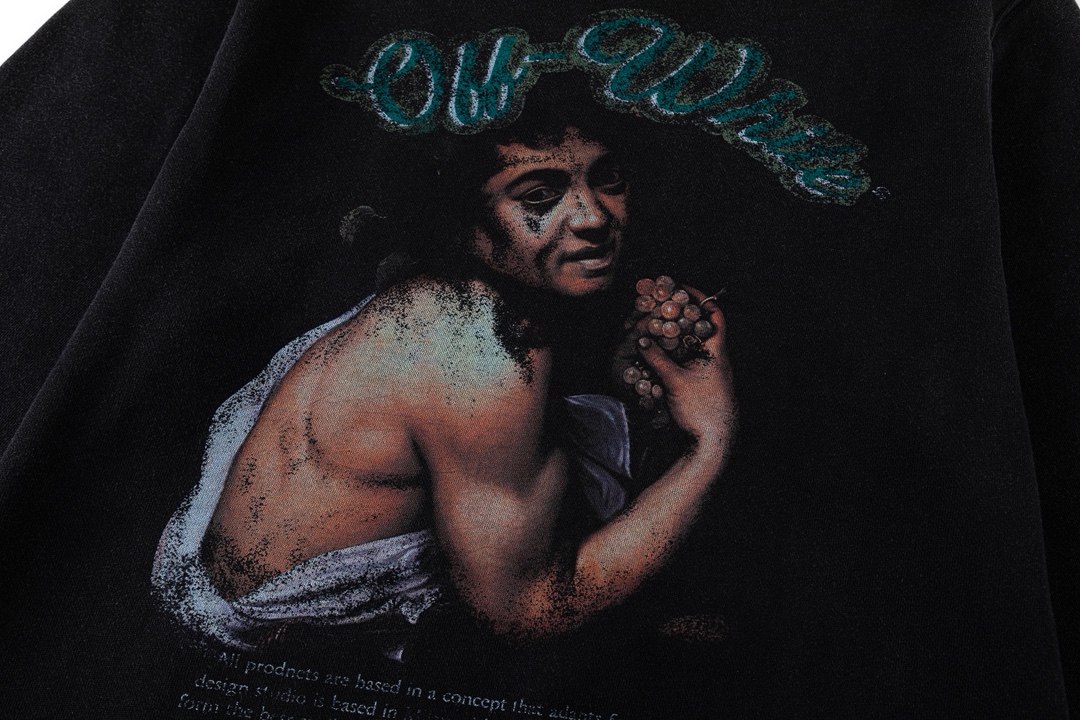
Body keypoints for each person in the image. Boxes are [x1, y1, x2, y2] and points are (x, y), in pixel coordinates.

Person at [152, 110, 738, 652]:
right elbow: (526, 610)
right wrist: (708, 441)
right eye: (539, 195)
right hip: (278, 646)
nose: (594, 218)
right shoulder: (478, 354)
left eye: (607, 180)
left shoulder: (439, 298)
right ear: (465, 219)